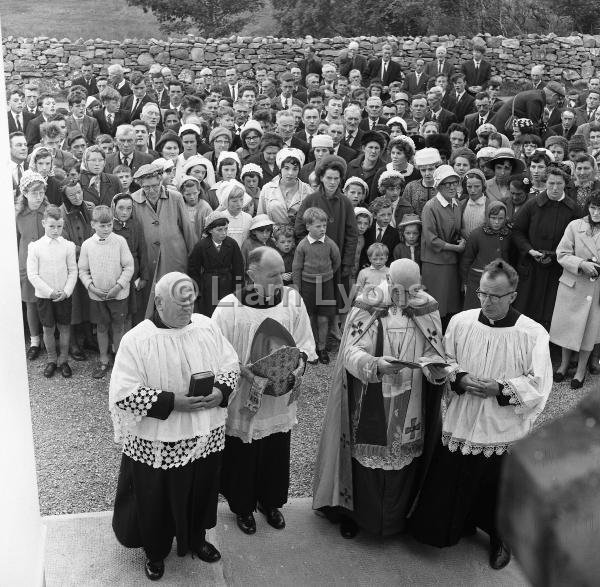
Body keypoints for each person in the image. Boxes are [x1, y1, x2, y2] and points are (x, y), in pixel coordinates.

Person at [409, 259, 552, 571]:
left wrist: (500, 388)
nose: (486, 301)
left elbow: (539, 384)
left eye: (495, 296)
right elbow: (444, 360)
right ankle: (454, 525)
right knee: (454, 476)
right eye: (482, 293)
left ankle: (501, 538)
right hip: (463, 418)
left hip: (502, 425)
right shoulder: (461, 322)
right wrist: (458, 377)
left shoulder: (532, 333)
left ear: (512, 296)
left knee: (497, 484)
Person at [109, 271, 240, 581]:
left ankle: (196, 538)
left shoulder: (206, 326)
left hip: (204, 432)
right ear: (158, 302)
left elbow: (230, 363)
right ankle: (155, 552)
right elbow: (124, 394)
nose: (187, 308)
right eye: (180, 304)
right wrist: (173, 402)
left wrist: (221, 390)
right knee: (155, 499)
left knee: (201, 489)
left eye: (191, 301)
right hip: (160, 438)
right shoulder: (137, 340)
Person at [312, 258, 451, 538]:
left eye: (414, 290)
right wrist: (375, 364)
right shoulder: (368, 305)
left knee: (405, 452)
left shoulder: (426, 305)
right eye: (401, 291)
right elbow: (349, 353)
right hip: (371, 393)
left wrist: (435, 367)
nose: (408, 298)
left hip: (412, 396)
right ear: (388, 280)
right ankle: (357, 516)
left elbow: (437, 349)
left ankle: (398, 519)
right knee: (366, 453)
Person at [212, 247, 316, 535]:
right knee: (243, 452)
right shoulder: (229, 307)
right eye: (272, 275)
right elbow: (216, 353)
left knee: (276, 449)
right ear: (251, 275)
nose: (280, 280)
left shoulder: (293, 301)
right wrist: (245, 371)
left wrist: (299, 366)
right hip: (245, 395)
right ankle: (242, 506)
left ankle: (270, 502)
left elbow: (306, 342)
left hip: (280, 397)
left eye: (281, 273)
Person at [512, 167, 581, 330]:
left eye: (559, 183)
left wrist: (561, 256)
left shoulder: (573, 209)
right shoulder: (532, 204)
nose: (555, 188)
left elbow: (578, 240)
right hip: (532, 266)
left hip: (558, 269)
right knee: (528, 311)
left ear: (566, 184)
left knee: (552, 311)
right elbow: (516, 231)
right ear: (545, 182)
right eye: (551, 183)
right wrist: (529, 250)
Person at [131, 163, 196, 321]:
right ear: (140, 185)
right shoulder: (133, 201)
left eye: (155, 185)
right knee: (150, 302)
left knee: (175, 296)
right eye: (146, 187)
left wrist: (194, 258)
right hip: (148, 259)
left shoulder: (175, 197)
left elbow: (187, 228)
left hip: (174, 256)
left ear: (161, 180)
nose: (151, 191)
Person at [78, 205, 135, 379]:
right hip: (97, 295)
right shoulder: (87, 245)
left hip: (118, 295)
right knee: (101, 327)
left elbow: (129, 266)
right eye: (102, 225)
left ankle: (118, 359)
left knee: (118, 326)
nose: (106, 229)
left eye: (109, 225)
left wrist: (118, 286)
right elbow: (82, 270)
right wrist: (91, 287)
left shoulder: (119, 241)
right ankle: (104, 359)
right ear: (93, 224)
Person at [550, 193, 600, 387]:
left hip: (595, 289)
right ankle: (563, 365)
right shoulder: (574, 226)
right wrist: (581, 264)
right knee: (568, 327)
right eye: (593, 207)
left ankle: (580, 371)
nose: (596, 213)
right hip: (573, 284)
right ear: (588, 207)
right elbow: (561, 253)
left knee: (590, 330)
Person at [26, 204, 78, 378]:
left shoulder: (68, 246)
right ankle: (51, 359)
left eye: (59, 226)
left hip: (64, 295)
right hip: (45, 296)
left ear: (63, 224)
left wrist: (66, 291)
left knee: (64, 327)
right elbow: (32, 275)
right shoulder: (35, 247)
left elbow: (73, 271)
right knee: (48, 328)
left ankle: (63, 360)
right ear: (43, 224)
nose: (56, 230)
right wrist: (49, 292)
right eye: (51, 226)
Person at [292, 207, 341, 364]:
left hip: (325, 286)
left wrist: (327, 275)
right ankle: (311, 348)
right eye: (318, 226)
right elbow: (297, 268)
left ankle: (322, 347)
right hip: (308, 287)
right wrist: (298, 288)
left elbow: (336, 261)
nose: (322, 229)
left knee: (323, 318)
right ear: (308, 227)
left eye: (324, 226)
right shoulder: (302, 246)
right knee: (310, 317)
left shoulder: (330, 244)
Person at [420, 165, 465, 325]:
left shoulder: (457, 204)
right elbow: (431, 239)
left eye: (455, 183)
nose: (452, 186)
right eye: (448, 183)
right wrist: (455, 248)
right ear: (438, 186)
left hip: (452, 262)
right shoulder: (430, 207)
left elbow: (459, 229)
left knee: (451, 305)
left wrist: (464, 240)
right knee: (435, 306)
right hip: (435, 263)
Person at [16, 171, 49, 361]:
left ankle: (48, 338)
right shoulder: (19, 215)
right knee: (31, 303)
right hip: (26, 264)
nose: (38, 197)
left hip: (47, 263)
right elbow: (15, 240)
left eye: (41, 192)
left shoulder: (50, 210)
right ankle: (34, 340)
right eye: (34, 193)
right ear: (25, 193)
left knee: (46, 301)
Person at [187, 210, 244, 317]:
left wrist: (238, 288)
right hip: (208, 285)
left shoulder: (232, 244)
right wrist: (197, 289)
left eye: (226, 229)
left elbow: (238, 267)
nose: (224, 233)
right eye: (219, 230)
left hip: (228, 283)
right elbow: (193, 269)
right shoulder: (201, 246)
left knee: (227, 314)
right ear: (210, 231)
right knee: (210, 314)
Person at [460, 201, 514, 309]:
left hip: (499, 282)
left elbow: (512, 259)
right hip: (477, 281)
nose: (497, 222)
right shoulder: (476, 234)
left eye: (500, 218)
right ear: (487, 217)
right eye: (493, 218)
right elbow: (466, 260)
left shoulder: (509, 235)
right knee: (474, 311)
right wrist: (465, 282)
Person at [257, 148, 312, 225]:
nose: (290, 173)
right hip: (272, 235)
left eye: (295, 169)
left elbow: (311, 220)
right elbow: (261, 217)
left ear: (299, 170)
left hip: (299, 235)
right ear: (280, 168)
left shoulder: (308, 191)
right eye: (286, 168)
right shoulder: (267, 189)